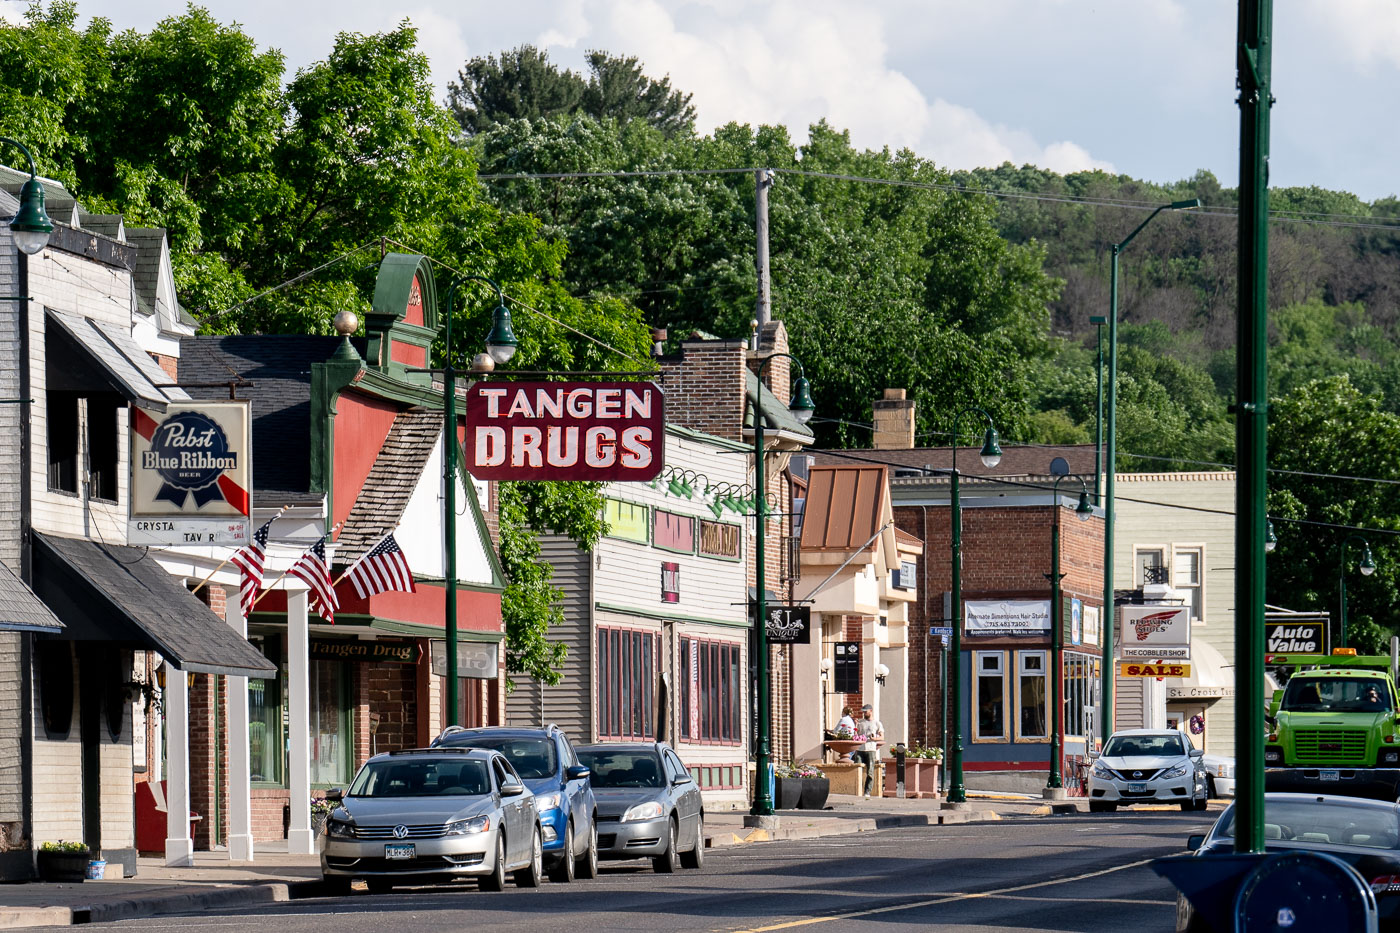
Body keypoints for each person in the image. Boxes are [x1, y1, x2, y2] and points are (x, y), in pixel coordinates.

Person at [852, 704, 884, 798]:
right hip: (860, 749)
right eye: (863, 712)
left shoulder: (877, 723)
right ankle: (858, 790)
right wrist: (855, 725)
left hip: (871, 749)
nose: (864, 713)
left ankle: (867, 791)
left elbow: (882, 737)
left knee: (870, 771)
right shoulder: (861, 722)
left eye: (866, 711)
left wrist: (875, 739)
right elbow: (856, 735)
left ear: (871, 711)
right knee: (858, 769)